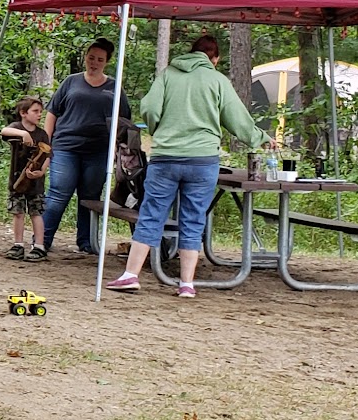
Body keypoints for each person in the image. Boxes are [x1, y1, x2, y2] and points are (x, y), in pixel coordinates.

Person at [109, 32, 266, 299]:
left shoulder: (169, 74)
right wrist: (259, 138)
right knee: (193, 219)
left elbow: (150, 107)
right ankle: (186, 284)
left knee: (152, 214)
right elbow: (236, 117)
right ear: (214, 58)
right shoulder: (217, 79)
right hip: (203, 160)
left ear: (191, 53)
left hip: (166, 157)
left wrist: (159, 130)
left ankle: (130, 276)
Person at [32, 38, 131, 261]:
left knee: (90, 197)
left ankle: (86, 242)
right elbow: (53, 112)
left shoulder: (114, 87)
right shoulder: (71, 82)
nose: (94, 63)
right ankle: (41, 241)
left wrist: (118, 152)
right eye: (91, 57)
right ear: (85, 57)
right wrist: (46, 146)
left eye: (100, 59)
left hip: (98, 151)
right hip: (66, 146)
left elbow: (124, 121)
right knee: (58, 193)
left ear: (107, 62)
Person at [0, 94, 50, 260]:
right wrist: (23, 134)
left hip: (35, 183)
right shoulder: (16, 127)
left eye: (40, 111)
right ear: (23, 113)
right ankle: (18, 244)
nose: (39, 114)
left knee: (36, 213)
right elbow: (4, 131)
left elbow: (48, 154)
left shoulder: (42, 134)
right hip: (17, 180)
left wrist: (41, 171)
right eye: (35, 111)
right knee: (18, 212)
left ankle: (39, 246)